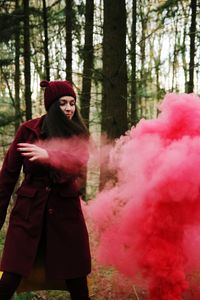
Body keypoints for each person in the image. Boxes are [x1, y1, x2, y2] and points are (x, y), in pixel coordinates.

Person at [0, 80, 91, 300]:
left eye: (72, 103)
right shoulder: (28, 130)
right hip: (29, 212)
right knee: (11, 273)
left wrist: (50, 157)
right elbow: (8, 176)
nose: (69, 108)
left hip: (65, 214)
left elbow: (77, 166)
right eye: (63, 103)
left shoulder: (78, 134)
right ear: (51, 105)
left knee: (76, 278)